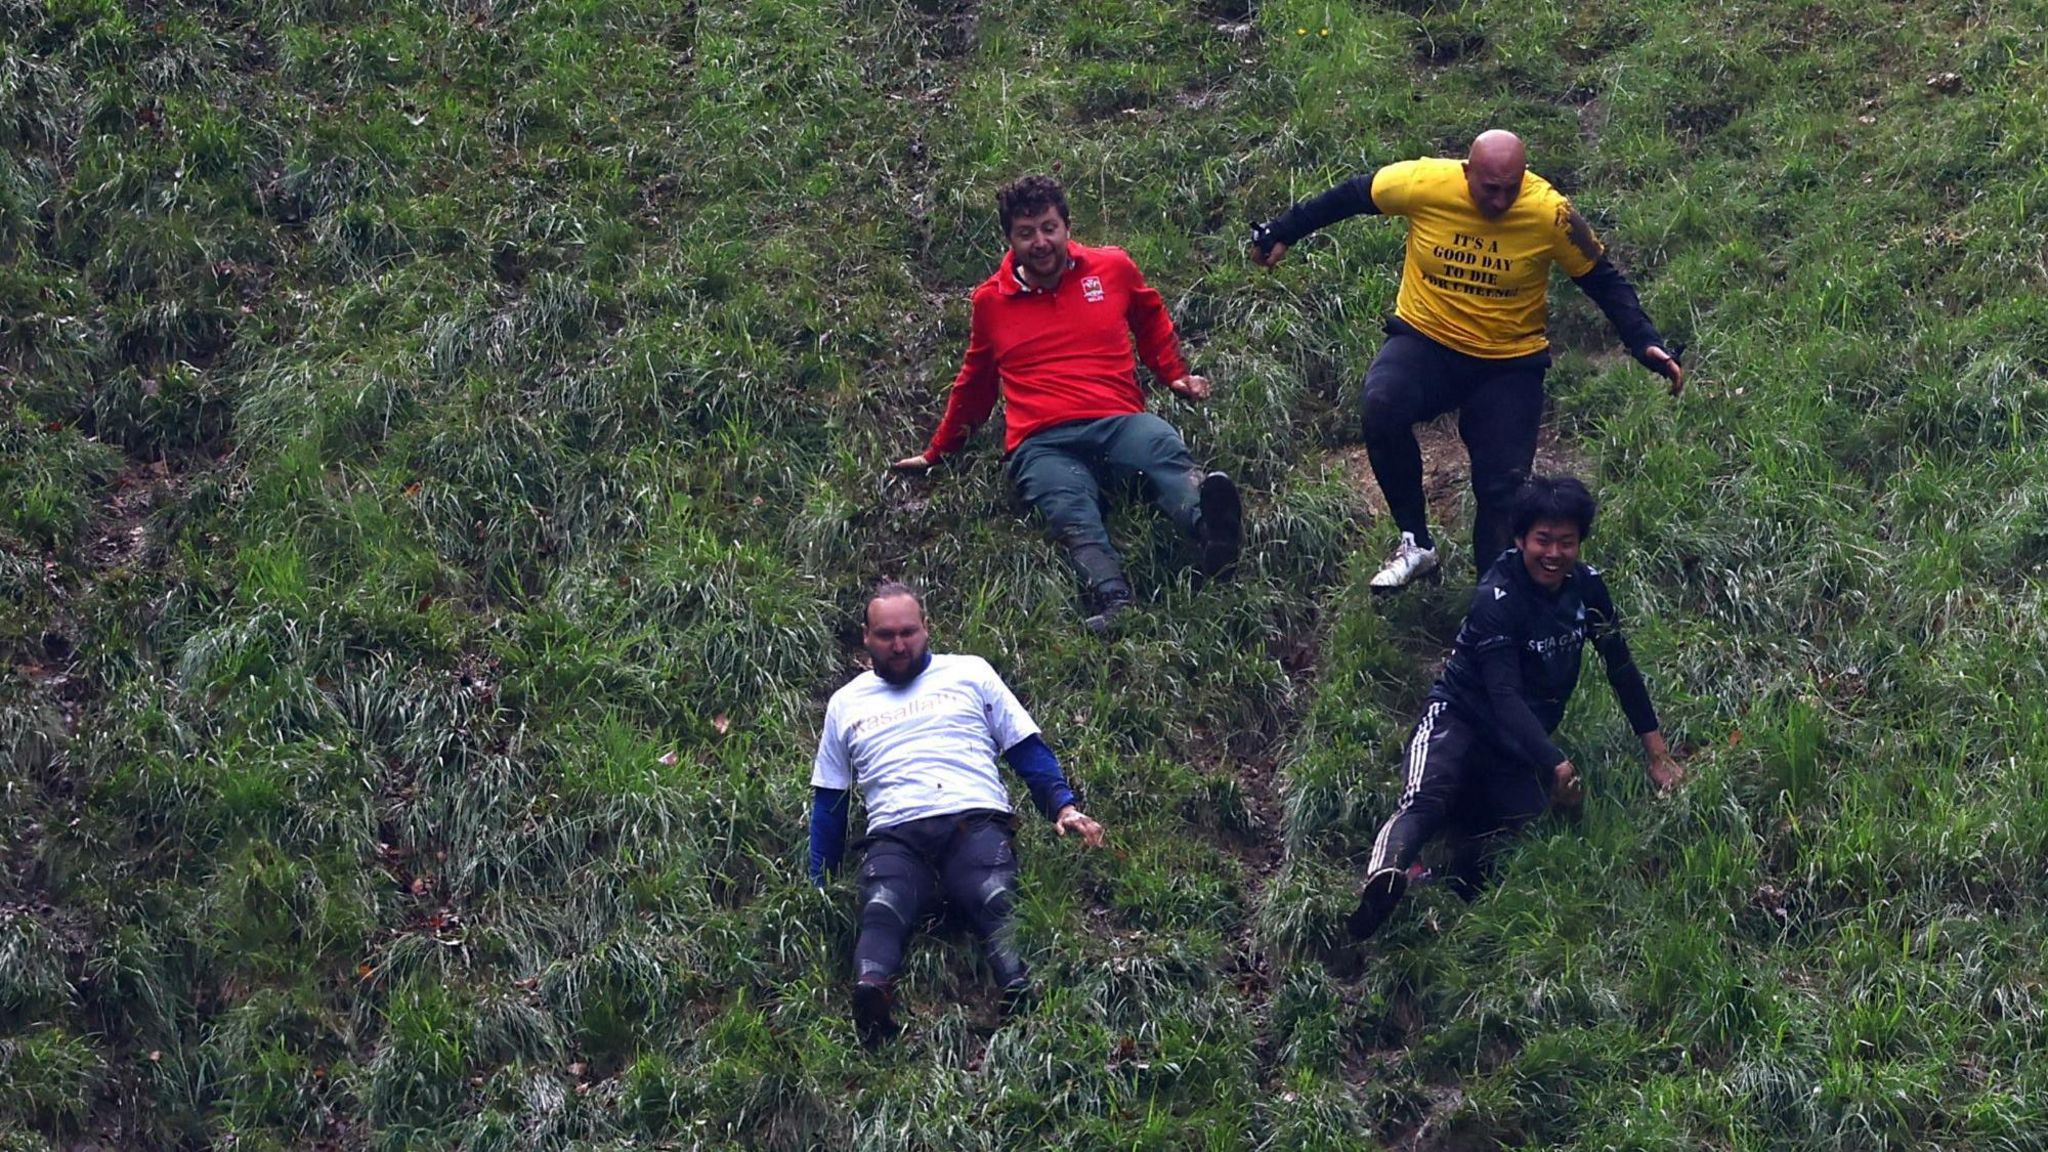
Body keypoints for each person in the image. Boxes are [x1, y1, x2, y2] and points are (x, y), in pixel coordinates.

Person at [1250, 129, 1684, 591]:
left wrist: (1643, 341)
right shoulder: (1427, 182)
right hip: (1427, 342)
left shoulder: (1549, 211)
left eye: (1510, 189)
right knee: (1382, 403)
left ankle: (1491, 600)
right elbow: (1353, 195)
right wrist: (1284, 231)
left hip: (1508, 363)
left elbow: (1601, 277)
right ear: (1466, 171)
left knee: (1502, 488)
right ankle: (1416, 543)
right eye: (1489, 188)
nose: (1499, 201)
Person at [892, 174, 1242, 633]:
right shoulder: (990, 303)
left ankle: (1213, 534)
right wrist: (939, 451)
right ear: (1010, 239)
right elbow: (975, 383)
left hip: (1118, 420)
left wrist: (1173, 373)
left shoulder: (1112, 268)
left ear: (1067, 227)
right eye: (1026, 232)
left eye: (1048, 228)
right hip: (1043, 441)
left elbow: (1149, 314)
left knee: (1160, 448)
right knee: (1067, 503)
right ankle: (1114, 598)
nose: (1040, 242)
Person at [1346, 475, 1683, 941]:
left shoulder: (1587, 589)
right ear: (1521, 538)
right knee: (1426, 797)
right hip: (1460, 718)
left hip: (1519, 742)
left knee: (1512, 836)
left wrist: (1657, 754)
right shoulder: (1496, 598)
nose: (1554, 554)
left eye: (1567, 542)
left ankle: (1435, 888)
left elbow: (1619, 665)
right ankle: (1385, 874)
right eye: (1543, 540)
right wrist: (1556, 762)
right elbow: (1502, 696)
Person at [809, 582, 1105, 1047]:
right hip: (895, 834)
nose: (900, 645)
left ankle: (1018, 989)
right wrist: (819, 882)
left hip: (971, 818)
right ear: (865, 637)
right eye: (886, 635)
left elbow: (1025, 747)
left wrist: (1063, 806)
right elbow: (831, 800)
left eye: (909, 632)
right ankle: (870, 996)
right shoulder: (846, 703)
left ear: (927, 629)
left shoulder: (970, 674)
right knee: (882, 906)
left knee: (993, 891)